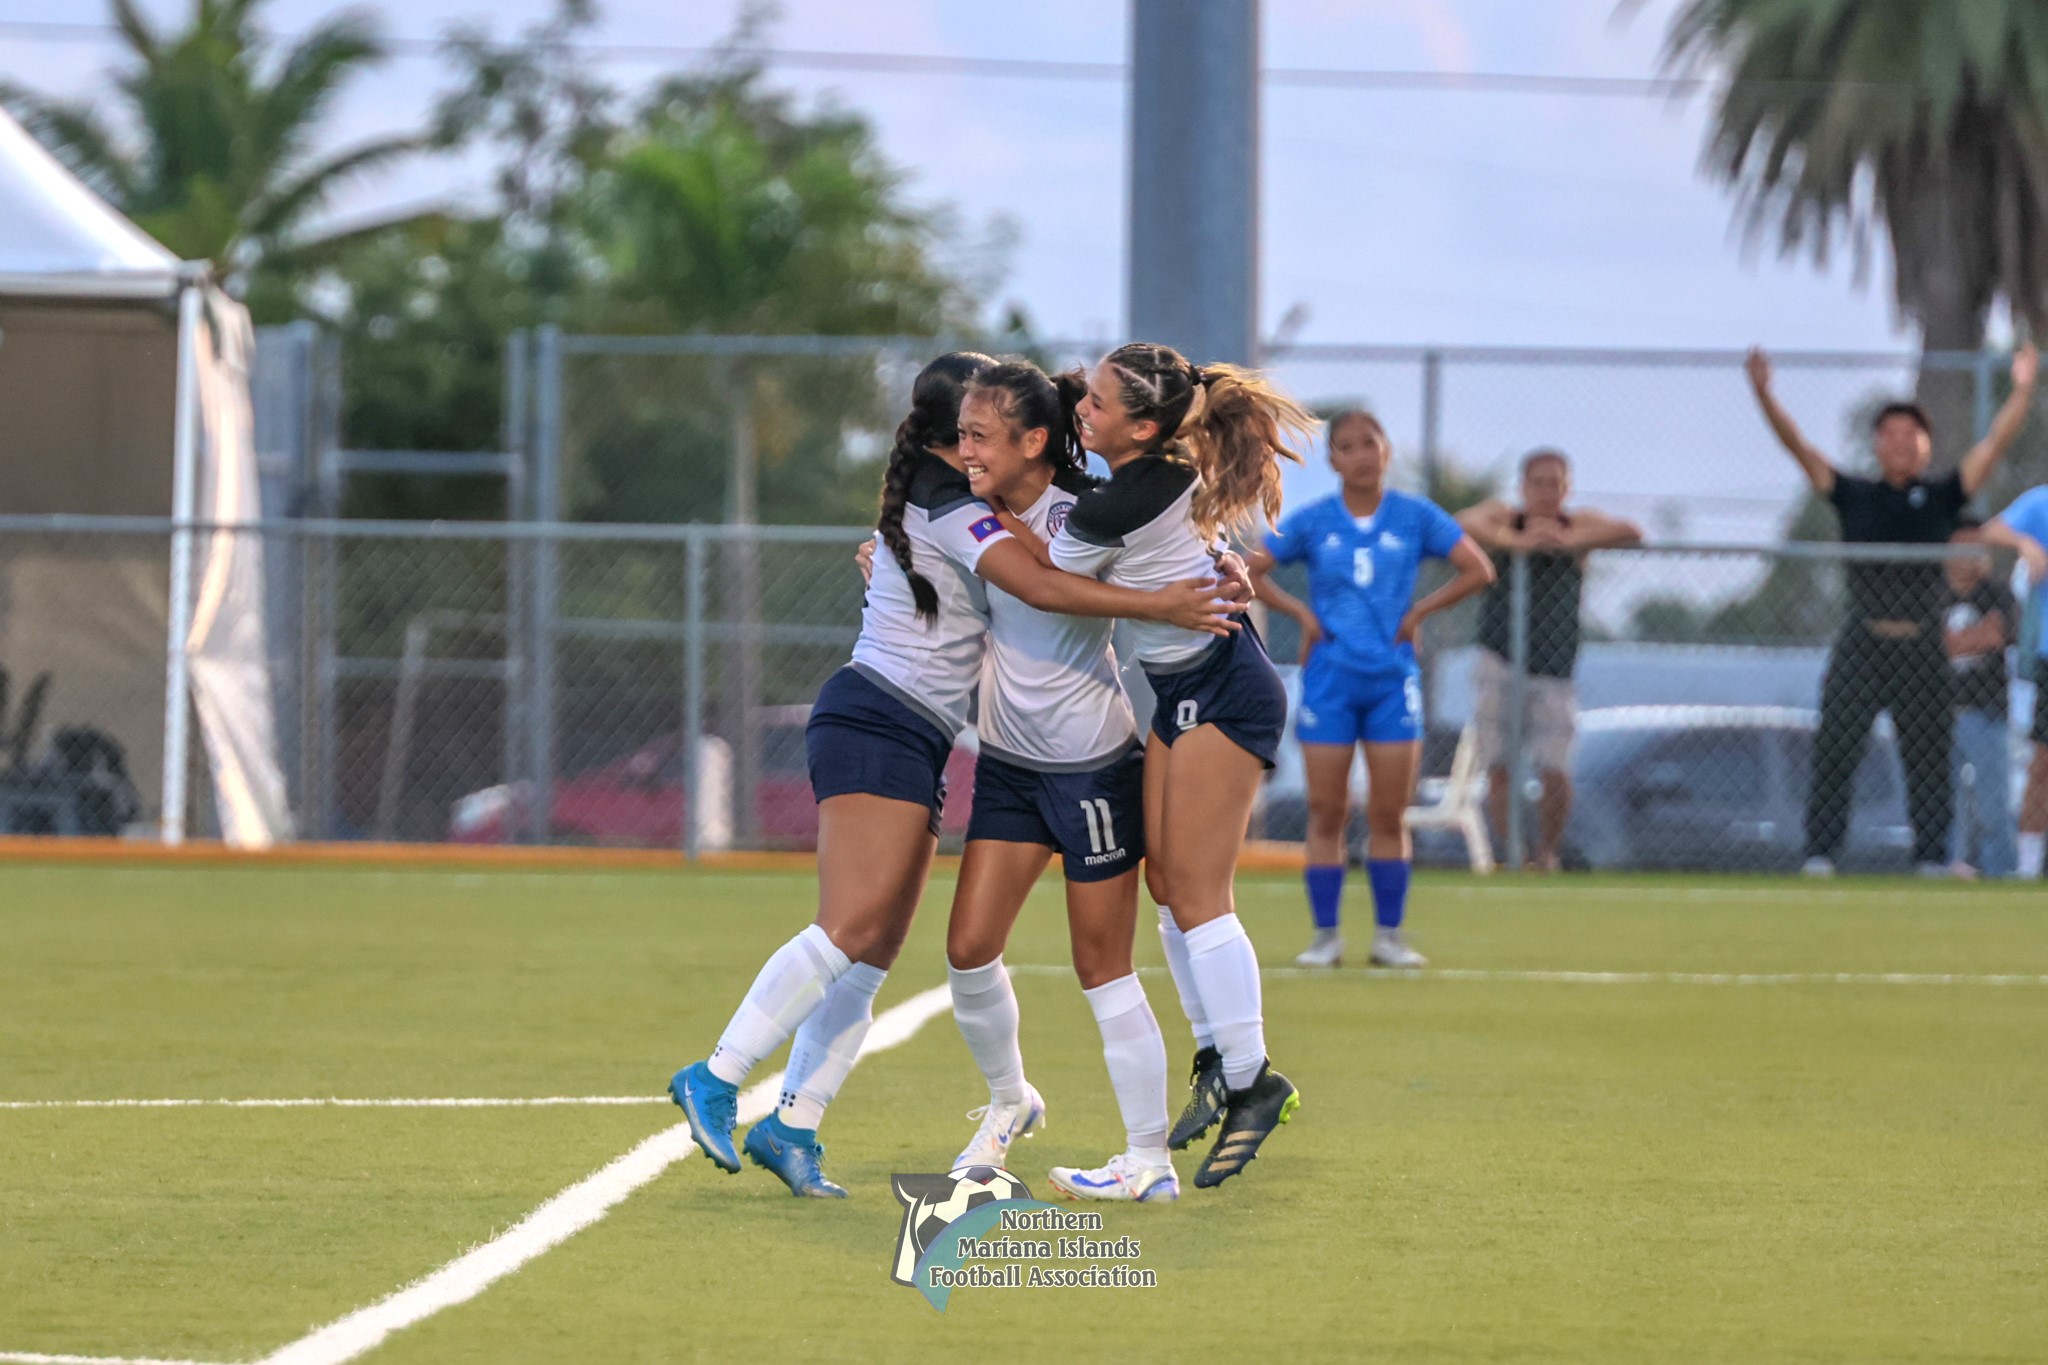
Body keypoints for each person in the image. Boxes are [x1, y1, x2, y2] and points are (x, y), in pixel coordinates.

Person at [665, 352, 1240, 1198]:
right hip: (943, 741)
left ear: (1031, 438)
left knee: (911, 954)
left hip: (1060, 760)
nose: (968, 451)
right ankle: (740, 1078)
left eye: (984, 435)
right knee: (910, 940)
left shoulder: (1074, 508)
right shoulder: (957, 508)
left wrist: (1224, 571)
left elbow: (1169, 542)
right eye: (962, 433)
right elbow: (1035, 585)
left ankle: (796, 1121)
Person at [1052, 341, 1316, 1189]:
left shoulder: (1120, 500)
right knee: (1167, 882)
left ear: (1144, 425)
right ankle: (1218, 1053)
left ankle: (1252, 1078)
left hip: (1222, 686)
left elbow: (1049, 581)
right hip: (1186, 685)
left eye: (1096, 403)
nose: (1081, 411)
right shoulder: (1150, 472)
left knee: (1200, 897)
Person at [1746, 344, 2039, 876]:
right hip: (1863, 641)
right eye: (1890, 434)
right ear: (1877, 444)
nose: (1901, 443)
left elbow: (1994, 444)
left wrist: (2021, 389)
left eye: (1912, 435)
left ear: (1925, 448)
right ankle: (1820, 854)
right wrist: (1765, 395)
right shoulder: (1853, 494)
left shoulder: (1944, 495)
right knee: (1837, 748)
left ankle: (1931, 857)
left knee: (1928, 755)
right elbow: (1800, 450)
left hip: (1923, 644)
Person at [1249, 410, 1495, 969]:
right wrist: (1302, 616)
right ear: (1332, 459)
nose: (1360, 454)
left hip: (1391, 681)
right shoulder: (1314, 521)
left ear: (1386, 450)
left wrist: (1420, 613)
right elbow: (1253, 569)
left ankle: (1389, 936)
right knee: (1325, 809)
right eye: (1347, 446)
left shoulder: (1414, 516)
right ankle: (1325, 937)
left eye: (1370, 443)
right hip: (1331, 678)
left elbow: (1477, 569)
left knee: (1388, 813)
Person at [1459, 449, 1642, 872]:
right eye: (1537, 483)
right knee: (1500, 766)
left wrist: (1567, 543)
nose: (1545, 492)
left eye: (1554, 483)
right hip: (1500, 659)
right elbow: (1461, 524)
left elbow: (1630, 530)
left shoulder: (1577, 525)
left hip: (1554, 667)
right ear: (1523, 487)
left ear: (1567, 487)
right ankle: (1511, 856)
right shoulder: (1505, 518)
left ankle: (1546, 855)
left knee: (1555, 769)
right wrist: (1517, 544)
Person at [1941, 516, 2019, 877]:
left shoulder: (1997, 593)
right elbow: (1931, 648)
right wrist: (1975, 636)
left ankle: (2001, 873)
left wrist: (1954, 644)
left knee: (1993, 803)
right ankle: (1947, 868)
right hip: (1937, 712)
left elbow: (1998, 636)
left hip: (1985, 712)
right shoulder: (1931, 593)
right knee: (1944, 801)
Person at [1984, 485, 2048, 877]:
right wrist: (2026, 544)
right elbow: (1989, 531)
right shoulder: (2042, 503)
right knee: (2042, 767)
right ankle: (2028, 868)